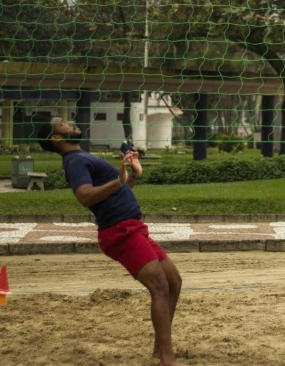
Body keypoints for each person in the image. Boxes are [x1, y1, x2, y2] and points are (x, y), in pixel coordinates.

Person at [38, 118, 183, 366]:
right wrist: (119, 179)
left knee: (173, 281)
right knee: (159, 286)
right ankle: (167, 360)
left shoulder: (82, 156)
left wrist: (133, 175)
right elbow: (84, 196)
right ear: (56, 138)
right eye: (62, 123)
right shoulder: (74, 162)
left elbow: (116, 192)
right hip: (119, 231)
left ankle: (160, 350)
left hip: (132, 227)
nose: (71, 121)